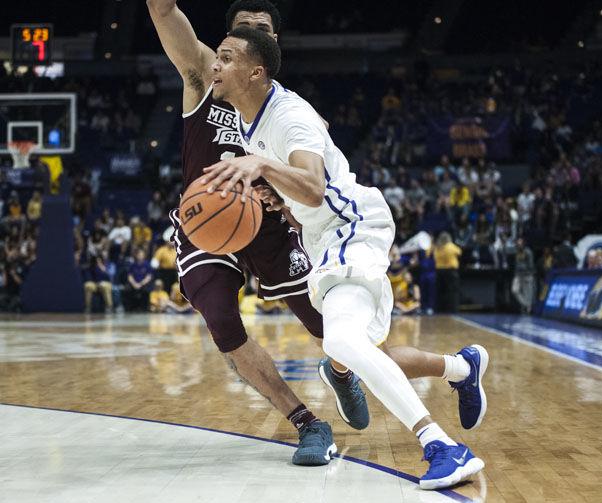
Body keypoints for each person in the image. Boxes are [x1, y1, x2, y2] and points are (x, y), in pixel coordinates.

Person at [149, 0, 485, 473]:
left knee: (350, 345)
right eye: (236, 32)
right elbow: (163, 14)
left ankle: (450, 370)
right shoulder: (207, 76)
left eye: (256, 31)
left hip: (291, 232)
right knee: (224, 323)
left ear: (264, 57)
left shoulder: (287, 114)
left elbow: (313, 181)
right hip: (211, 218)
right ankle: (309, 422)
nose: (242, 38)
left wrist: (267, 178)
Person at [433, 232, 461, 313]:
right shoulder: (450, 246)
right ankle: (452, 310)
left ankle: (440, 310)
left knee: (440, 292)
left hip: (439, 272)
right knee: (452, 292)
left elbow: (434, 257)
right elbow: (459, 252)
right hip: (451, 272)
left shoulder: (437, 247)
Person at [512, 237, 535, 314]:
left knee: (527, 293)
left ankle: (528, 308)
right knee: (515, 290)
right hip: (518, 275)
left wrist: (527, 272)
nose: (519, 245)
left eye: (520, 243)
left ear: (524, 244)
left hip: (527, 275)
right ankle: (526, 304)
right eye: (518, 243)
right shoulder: (516, 252)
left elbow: (530, 265)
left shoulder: (528, 252)